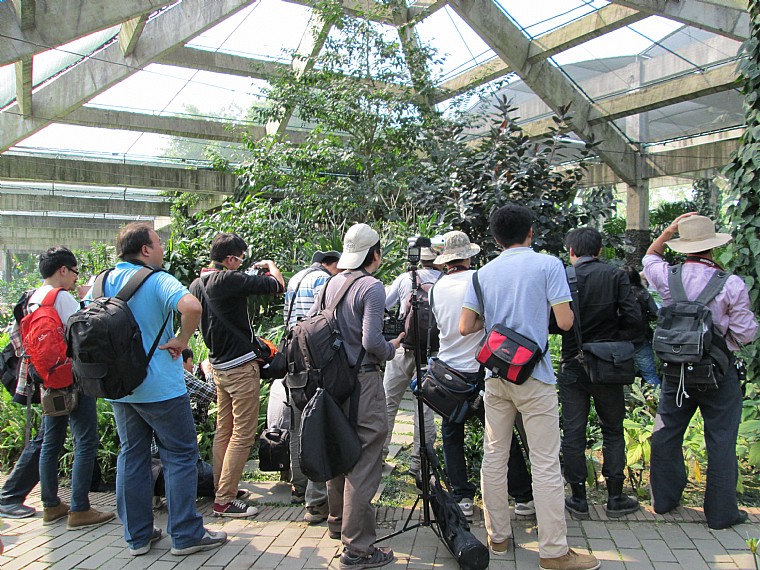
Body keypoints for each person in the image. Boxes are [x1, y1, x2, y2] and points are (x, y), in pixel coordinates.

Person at [460, 204, 599, 570]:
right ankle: (553, 551)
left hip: (496, 375)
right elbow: (565, 322)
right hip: (534, 375)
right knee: (545, 462)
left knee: (494, 455)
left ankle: (498, 538)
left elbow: (465, 326)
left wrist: (497, 321)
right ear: (530, 232)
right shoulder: (548, 265)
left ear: (495, 238)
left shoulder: (482, 273)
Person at [101, 222, 225, 556]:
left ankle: (138, 537)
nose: (161, 248)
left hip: (119, 387)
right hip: (159, 387)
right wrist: (182, 339)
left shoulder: (101, 280)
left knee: (132, 455)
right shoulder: (158, 279)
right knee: (180, 455)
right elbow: (192, 307)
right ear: (145, 249)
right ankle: (185, 534)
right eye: (158, 243)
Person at [643, 213, 758, 530]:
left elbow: (649, 257)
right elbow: (746, 333)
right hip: (718, 374)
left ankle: (664, 501)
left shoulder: (668, 276)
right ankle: (721, 514)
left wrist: (668, 231)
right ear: (713, 246)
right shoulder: (730, 283)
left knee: (666, 433)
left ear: (683, 246)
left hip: (676, 372)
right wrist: (721, 344)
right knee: (721, 439)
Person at [311, 223, 403, 569]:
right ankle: (357, 549)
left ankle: (338, 523)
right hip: (363, 380)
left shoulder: (330, 283)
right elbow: (371, 341)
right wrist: (393, 347)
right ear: (375, 253)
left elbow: (314, 325)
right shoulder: (372, 287)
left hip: (333, 381)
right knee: (365, 457)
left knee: (339, 449)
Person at [4, 248, 115, 530]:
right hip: (73, 378)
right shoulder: (61, 298)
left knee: (51, 443)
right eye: (75, 272)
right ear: (63, 270)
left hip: (46, 380)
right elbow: (84, 332)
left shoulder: (31, 298)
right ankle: (80, 509)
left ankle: (51, 505)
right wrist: (87, 302)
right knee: (85, 441)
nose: (76, 278)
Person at [431, 231, 534, 518]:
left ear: (446, 260)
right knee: (500, 434)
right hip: (480, 370)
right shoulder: (480, 279)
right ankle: (522, 497)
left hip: (447, 373)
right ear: (469, 256)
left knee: (452, 435)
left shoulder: (436, 287)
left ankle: (462, 497)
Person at [189, 233, 284, 518]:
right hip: (241, 368)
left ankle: (221, 487)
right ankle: (225, 500)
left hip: (218, 367)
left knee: (225, 430)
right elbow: (277, 285)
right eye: (240, 259)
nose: (241, 264)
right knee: (242, 434)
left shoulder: (196, 284)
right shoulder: (229, 279)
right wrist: (270, 265)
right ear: (230, 259)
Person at [554, 228, 642, 519]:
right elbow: (634, 318)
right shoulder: (615, 275)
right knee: (613, 429)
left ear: (571, 252)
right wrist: (614, 339)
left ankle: (578, 499)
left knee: (573, 431)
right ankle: (615, 498)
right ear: (600, 250)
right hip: (608, 363)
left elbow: (554, 323)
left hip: (572, 362)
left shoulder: (565, 277)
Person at [279, 250, 341, 522]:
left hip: (292, 358)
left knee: (297, 424)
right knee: (317, 424)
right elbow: (327, 319)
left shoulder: (295, 278)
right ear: (331, 264)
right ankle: (316, 500)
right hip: (313, 359)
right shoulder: (323, 281)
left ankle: (299, 486)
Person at [382, 247, 439, 476]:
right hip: (430, 354)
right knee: (424, 411)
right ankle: (420, 465)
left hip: (403, 348)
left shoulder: (406, 278)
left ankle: (378, 458)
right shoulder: (444, 281)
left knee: (388, 404)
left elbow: (384, 304)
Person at [622, 266, 661, 387]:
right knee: (649, 374)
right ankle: (655, 396)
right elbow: (655, 313)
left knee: (621, 376)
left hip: (620, 340)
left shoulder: (615, 293)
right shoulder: (643, 293)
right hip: (640, 337)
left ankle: (627, 397)